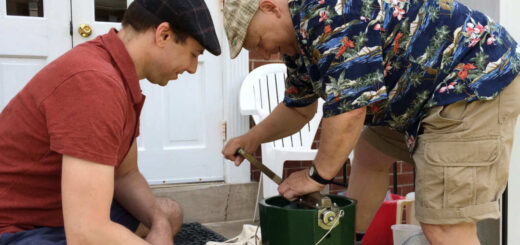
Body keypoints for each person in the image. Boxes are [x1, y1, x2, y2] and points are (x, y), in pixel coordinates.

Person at [221, 0, 520, 244]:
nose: (264, 52)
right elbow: (299, 109)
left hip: (473, 80)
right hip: (419, 98)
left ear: (271, 8)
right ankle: (349, 239)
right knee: (371, 154)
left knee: (444, 226)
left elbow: (351, 112)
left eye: (259, 41)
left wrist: (316, 176)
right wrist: (252, 139)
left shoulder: (327, 16)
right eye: (256, 51)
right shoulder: (297, 45)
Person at [0, 0, 221, 244]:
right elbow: (86, 233)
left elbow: (124, 175)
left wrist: (159, 224)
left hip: (61, 214)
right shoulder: (95, 83)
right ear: (164, 35)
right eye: (193, 54)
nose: (192, 68)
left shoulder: (116, 71)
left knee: (169, 215)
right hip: (16, 227)